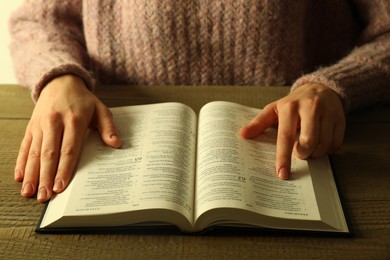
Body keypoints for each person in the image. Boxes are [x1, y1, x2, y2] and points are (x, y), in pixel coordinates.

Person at [9, 0, 390, 203]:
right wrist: (59, 77)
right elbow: (39, 22)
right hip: (117, 151)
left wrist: (333, 85)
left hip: (308, 159)